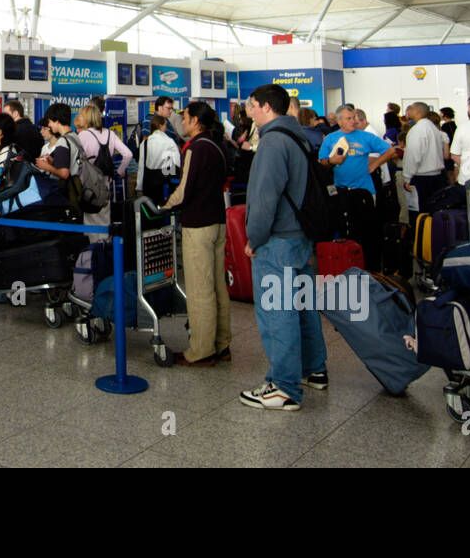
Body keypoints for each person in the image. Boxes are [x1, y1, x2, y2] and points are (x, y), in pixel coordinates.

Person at [241, 83, 328, 410]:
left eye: (251, 106)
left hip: (277, 242)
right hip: (300, 237)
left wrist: (254, 238)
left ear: (265, 107)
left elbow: (264, 199)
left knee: (278, 312)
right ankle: (314, 369)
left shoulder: (272, 142)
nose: (249, 112)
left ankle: (284, 386)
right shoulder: (299, 136)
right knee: (303, 307)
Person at [161, 102, 229, 367]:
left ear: (196, 121)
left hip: (198, 225)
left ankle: (201, 351)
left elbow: (185, 190)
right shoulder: (218, 145)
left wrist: (162, 207)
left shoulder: (197, 148)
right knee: (217, 287)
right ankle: (222, 344)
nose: (182, 122)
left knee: (200, 290)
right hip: (217, 221)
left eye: (186, 118)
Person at [318, 105, 396, 270]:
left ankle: (369, 267)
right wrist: (332, 161)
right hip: (341, 192)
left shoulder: (366, 137)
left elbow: (390, 151)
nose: (353, 121)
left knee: (367, 231)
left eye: (354, 118)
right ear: (339, 121)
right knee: (345, 231)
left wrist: (375, 164)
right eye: (348, 118)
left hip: (365, 192)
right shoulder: (331, 138)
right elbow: (322, 161)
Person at [75, 102, 131, 241]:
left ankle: (93, 255)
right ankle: (107, 251)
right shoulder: (110, 134)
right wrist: (120, 171)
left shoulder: (83, 136)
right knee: (105, 220)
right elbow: (128, 154)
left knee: (90, 222)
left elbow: (76, 162)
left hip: (88, 185)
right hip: (106, 184)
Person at [401, 102, 446, 212]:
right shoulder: (433, 128)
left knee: (421, 214)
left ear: (418, 112)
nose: (408, 110)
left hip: (422, 179)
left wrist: (407, 177)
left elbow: (413, 155)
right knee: (433, 212)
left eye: (411, 108)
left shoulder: (417, 130)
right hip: (437, 177)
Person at [137, 114, 181, 205]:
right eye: (165, 125)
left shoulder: (144, 143)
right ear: (161, 126)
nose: (166, 127)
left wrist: (139, 187)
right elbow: (177, 163)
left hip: (148, 185)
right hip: (165, 185)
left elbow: (141, 167)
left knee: (150, 213)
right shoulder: (169, 141)